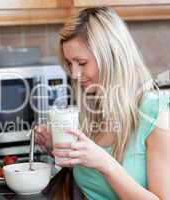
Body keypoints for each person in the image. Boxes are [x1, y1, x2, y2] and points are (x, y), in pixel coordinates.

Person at [35, 7, 170, 200]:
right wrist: (58, 148)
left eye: (81, 63)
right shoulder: (92, 106)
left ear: (111, 58)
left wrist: (106, 164)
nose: (74, 74)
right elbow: (92, 179)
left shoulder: (156, 114)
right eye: (69, 63)